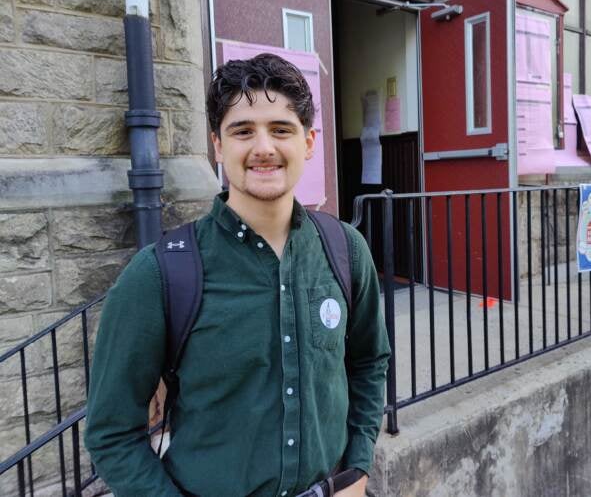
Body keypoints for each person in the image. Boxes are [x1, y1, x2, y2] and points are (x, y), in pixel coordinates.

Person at [85, 53, 391, 497]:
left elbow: (368, 362)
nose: (263, 147)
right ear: (218, 146)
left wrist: (358, 467)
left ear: (308, 142)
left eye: (281, 130)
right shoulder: (159, 274)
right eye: (243, 130)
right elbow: (111, 434)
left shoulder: (345, 250)